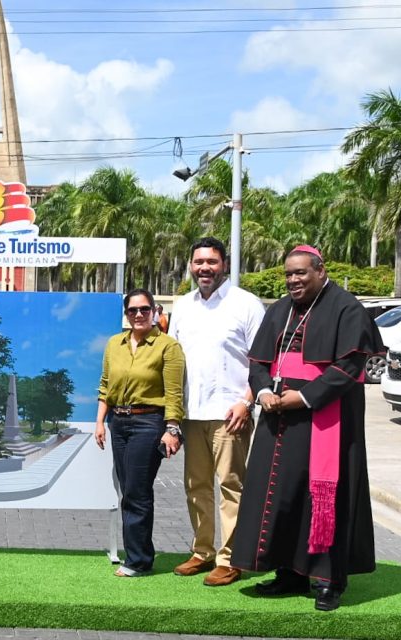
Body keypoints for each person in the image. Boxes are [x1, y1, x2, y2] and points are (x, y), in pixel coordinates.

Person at [231, 245, 383, 611]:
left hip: (324, 415)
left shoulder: (346, 307)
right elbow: (258, 361)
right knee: (281, 493)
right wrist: (265, 391)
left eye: (300, 273)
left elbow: (349, 367)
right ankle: (288, 572)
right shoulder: (281, 310)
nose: (293, 280)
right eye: (288, 275)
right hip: (277, 414)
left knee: (323, 497)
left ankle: (329, 581)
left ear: (320, 270)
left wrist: (304, 397)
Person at [168, 237, 265, 586]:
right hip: (192, 413)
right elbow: (173, 362)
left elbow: (262, 361)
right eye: (198, 262)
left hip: (230, 414)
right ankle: (202, 550)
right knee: (195, 485)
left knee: (230, 486)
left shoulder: (247, 305)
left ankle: (230, 558)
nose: (204, 268)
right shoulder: (182, 306)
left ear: (223, 264)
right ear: (191, 266)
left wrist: (247, 401)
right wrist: (174, 418)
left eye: (211, 262)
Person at [95, 288, 185, 577]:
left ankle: (139, 560)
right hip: (118, 424)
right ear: (126, 313)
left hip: (148, 423)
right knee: (128, 489)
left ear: (155, 311)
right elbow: (105, 384)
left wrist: (173, 429)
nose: (138, 315)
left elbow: (174, 393)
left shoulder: (167, 347)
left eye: (144, 309)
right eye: (132, 310)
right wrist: (100, 421)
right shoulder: (114, 344)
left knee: (137, 491)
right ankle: (137, 553)